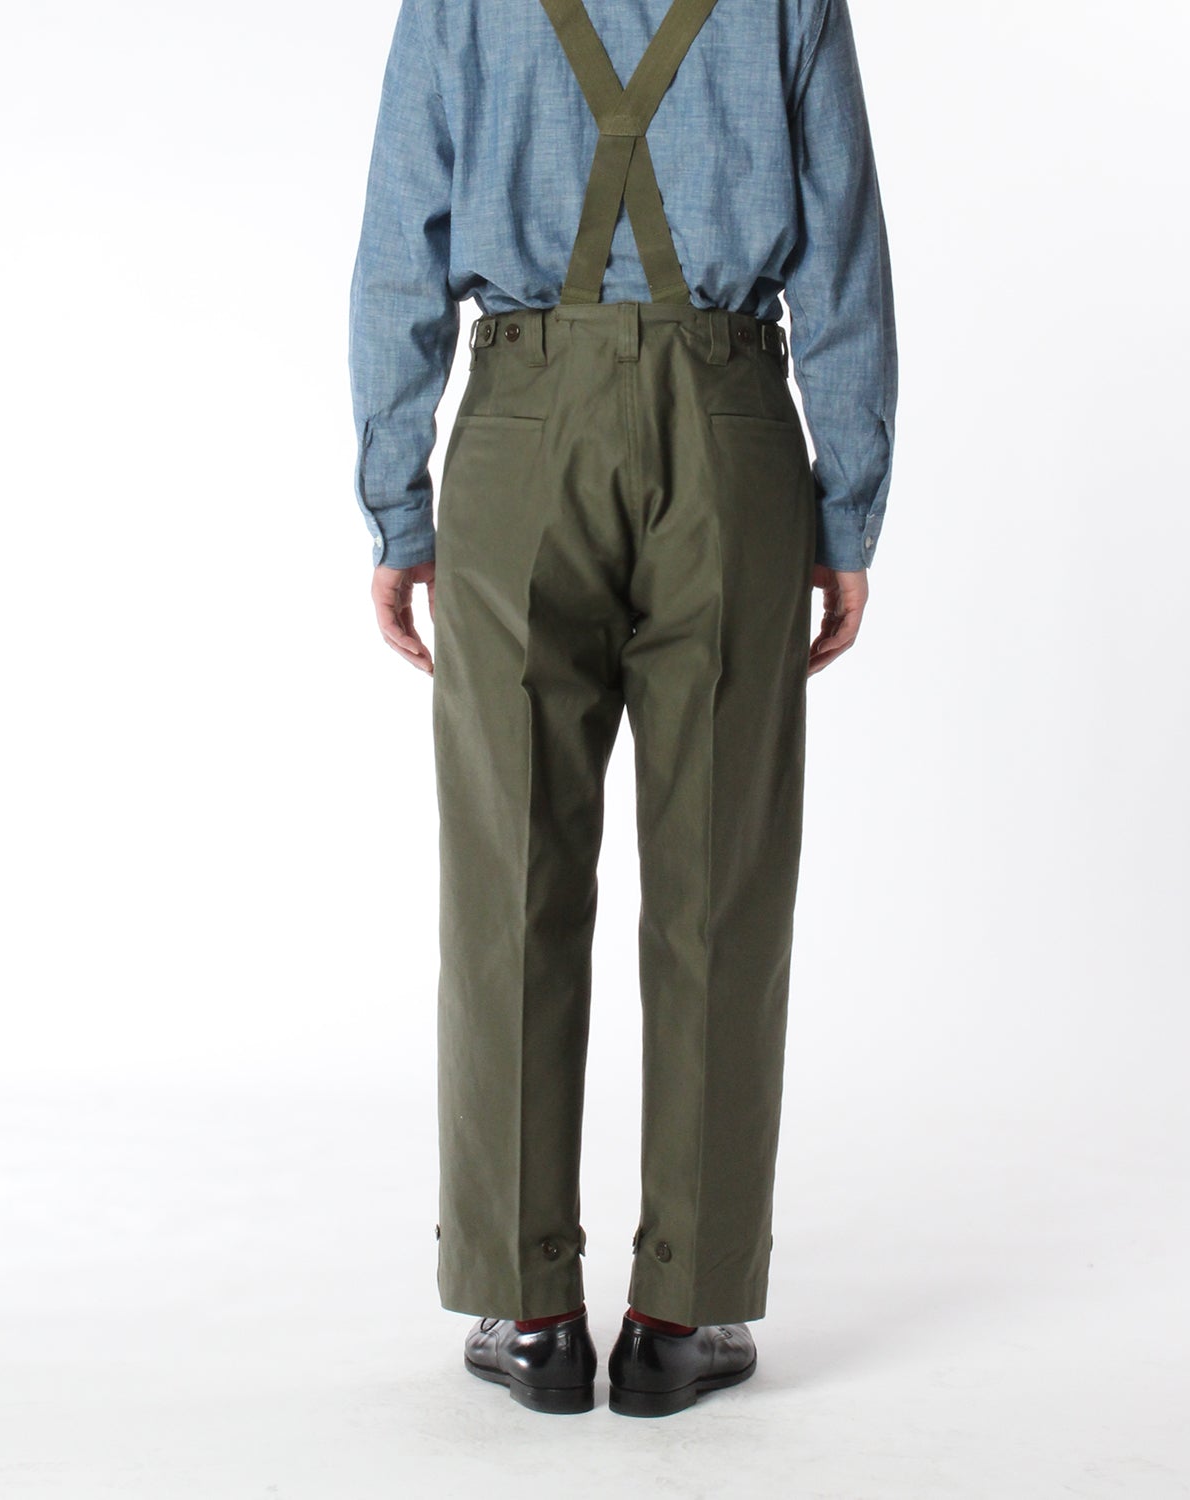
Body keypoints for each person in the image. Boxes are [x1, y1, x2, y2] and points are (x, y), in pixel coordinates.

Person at [348, 0, 896, 1417]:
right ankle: (680, 1314)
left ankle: (530, 1312)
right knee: (720, 884)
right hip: (730, 431)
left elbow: (401, 239)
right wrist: (845, 513)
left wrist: (399, 507)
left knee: (509, 876)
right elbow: (841, 248)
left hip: (521, 432)